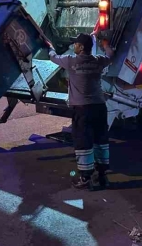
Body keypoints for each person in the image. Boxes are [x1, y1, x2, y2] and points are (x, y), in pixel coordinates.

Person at [48, 32, 114, 190]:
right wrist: (105, 44)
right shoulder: (98, 61)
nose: (73, 46)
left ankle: (86, 178)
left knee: (84, 142)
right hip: (99, 107)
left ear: (82, 47)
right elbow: (111, 56)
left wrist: (50, 47)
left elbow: (52, 57)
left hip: (82, 109)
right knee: (100, 140)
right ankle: (102, 176)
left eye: (76, 44)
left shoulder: (71, 61)